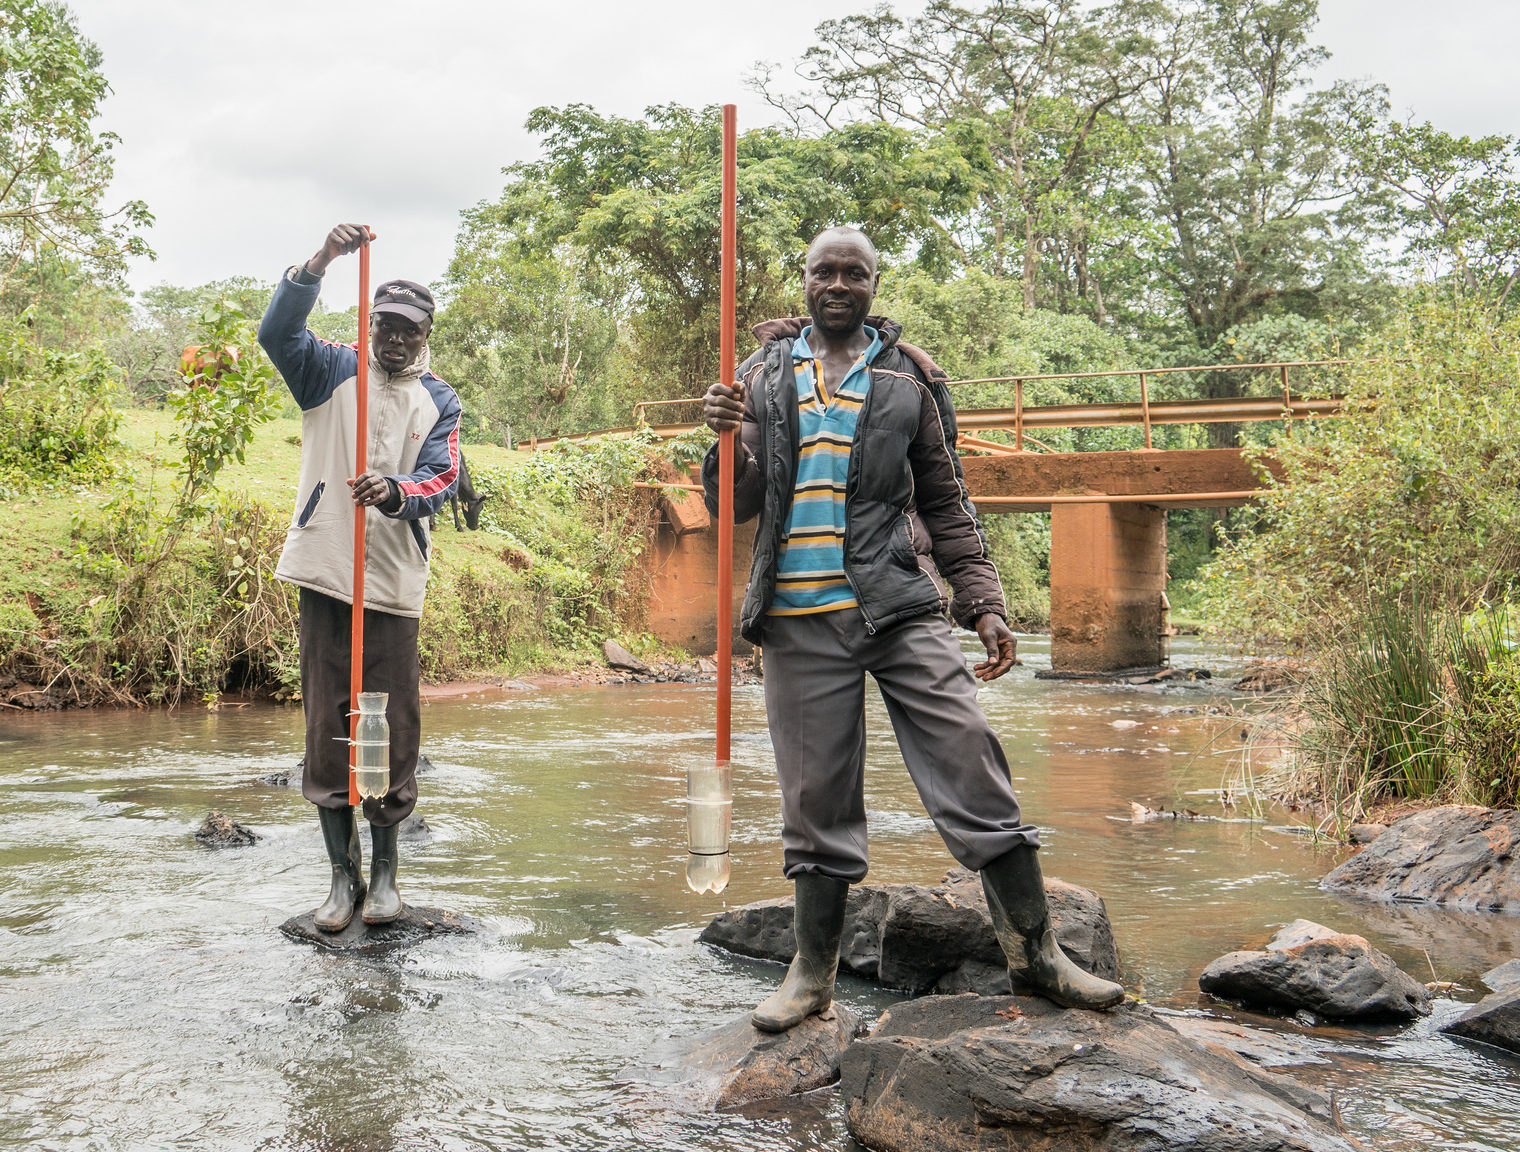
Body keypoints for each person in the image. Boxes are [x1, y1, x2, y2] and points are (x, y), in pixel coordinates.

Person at [701, 225, 1124, 1031]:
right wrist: (721, 441)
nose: (837, 284)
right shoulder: (757, 376)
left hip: (899, 605)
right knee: (815, 797)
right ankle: (811, 976)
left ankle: (1038, 958)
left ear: (872, 285)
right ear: (805, 280)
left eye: (853, 273)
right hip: (796, 619)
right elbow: (734, 506)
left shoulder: (909, 378)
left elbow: (946, 499)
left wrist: (983, 600)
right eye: (824, 271)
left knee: (970, 759)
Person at [258, 224, 461, 931]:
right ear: (369, 326)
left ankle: (385, 881)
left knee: (390, 729)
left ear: (426, 333)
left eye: (409, 330)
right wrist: (320, 261)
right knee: (327, 725)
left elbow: (444, 478)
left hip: (392, 587)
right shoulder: (330, 369)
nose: (395, 340)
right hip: (325, 573)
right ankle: (340, 882)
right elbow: (277, 332)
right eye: (385, 327)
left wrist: (398, 491)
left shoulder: (440, 399)